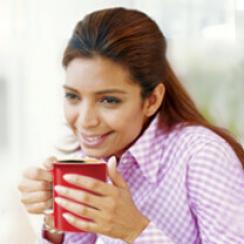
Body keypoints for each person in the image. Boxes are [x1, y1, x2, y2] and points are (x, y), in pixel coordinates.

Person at [18, 7, 244, 244]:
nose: (85, 120)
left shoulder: (202, 156)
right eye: (73, 96)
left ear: (152, 100)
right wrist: (56, 221)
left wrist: (134, 231)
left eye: (109, 100)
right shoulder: (98, 155)